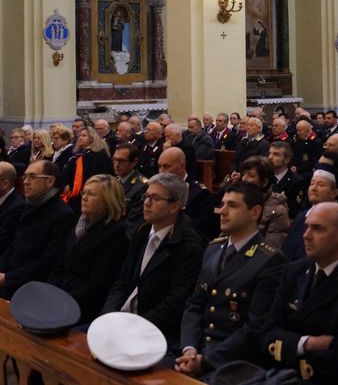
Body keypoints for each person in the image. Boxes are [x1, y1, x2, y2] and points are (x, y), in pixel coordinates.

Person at [175, 181, 286, 377]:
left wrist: (205, 362)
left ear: (255, 212)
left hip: (232, 363)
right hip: (195, 350)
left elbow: (255, 327)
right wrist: (189, 349)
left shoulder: (269, 260)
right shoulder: (213, 248)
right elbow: (195, 304)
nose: (223, 211)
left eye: (232, 205)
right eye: (223, 204)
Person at [262, 202, 338, 383]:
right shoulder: (294, 271)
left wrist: (287, 346)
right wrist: (307, 343)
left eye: (317, 229)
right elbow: (267, 333)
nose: (306, 235)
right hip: (277, 375)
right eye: (306, 227)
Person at [102, 172, 206, 350]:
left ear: (175, 207)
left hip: (154, 331)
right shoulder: (142, 231)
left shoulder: (189, 247)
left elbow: (174, 303)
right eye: (146, 196)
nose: (146, 202)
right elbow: (122, 282)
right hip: (123, 320)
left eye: (155, 198)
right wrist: (108, 317)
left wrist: (131, 327)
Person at [0, 160, 75, 298]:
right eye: (25, 176)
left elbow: (48, 263)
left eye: (33, 176)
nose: (25, 182)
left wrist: (7, 278)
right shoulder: (30, 205)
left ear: (49, 181)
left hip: (30, 286)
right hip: (9, 275)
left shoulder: (63, 215)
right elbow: (13, 244)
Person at [46, 174, 130, 322]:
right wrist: (49, 291)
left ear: (108, 200)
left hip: (83, 307)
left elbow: (98, 283)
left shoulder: (116, 234)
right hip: (61, 296)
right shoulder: (79, 225)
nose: (84, 198)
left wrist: (61, 301)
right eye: (84, 193)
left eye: (91, 194)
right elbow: (61, 264)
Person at [157, 146, 217, 239]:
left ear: (181, 166)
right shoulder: (157, 188)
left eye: (166, 166)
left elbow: (197, 230)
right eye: (159, 167)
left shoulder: (200, 194)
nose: (161, 172)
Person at [237, 156, 291, 250]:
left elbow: (270, 249)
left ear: (264, 182)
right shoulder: (238, 200)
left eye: (251, 176)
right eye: (244, 174)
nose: (244, 179)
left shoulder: (278, 210)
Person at [59, 125, 112, 214]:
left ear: (92, 138)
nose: (80, 138)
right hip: (75, 194)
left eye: (84, 136)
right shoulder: (78, 154)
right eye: (80, 136)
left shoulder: (98, 155)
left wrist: (71, 186)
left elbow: (92, 175)